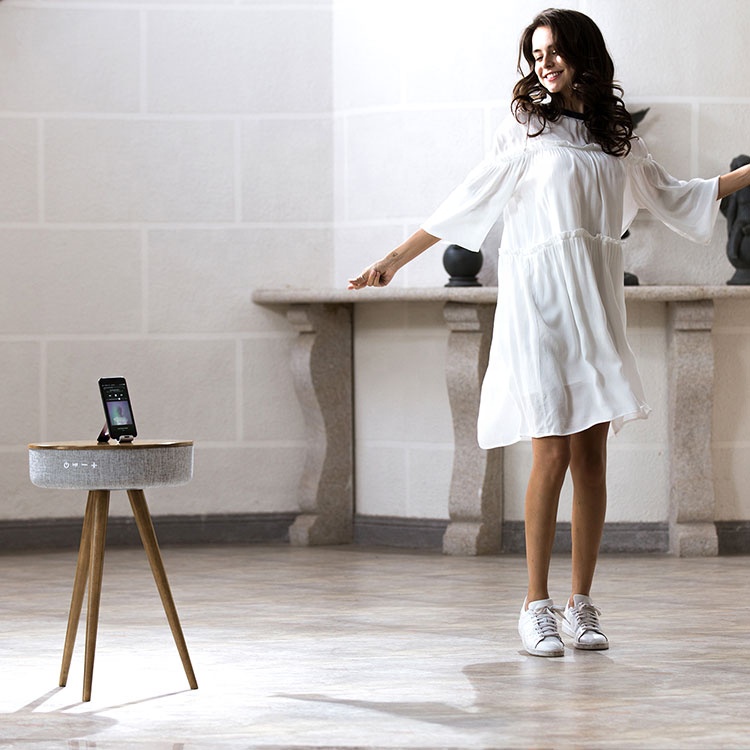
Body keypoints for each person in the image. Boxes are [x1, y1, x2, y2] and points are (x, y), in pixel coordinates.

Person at [348, 8, 750, 657]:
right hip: (538, 305)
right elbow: (465, 200)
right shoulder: (526, 130)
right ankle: (534, 606)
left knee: (591, 455)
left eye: (555, 49)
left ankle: (581, 604)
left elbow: (681, 194)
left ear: (581, 54)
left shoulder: (615, 138)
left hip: (593, 299)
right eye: (536, 53)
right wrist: (394, 260)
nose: (544, 61)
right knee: (552, 451)